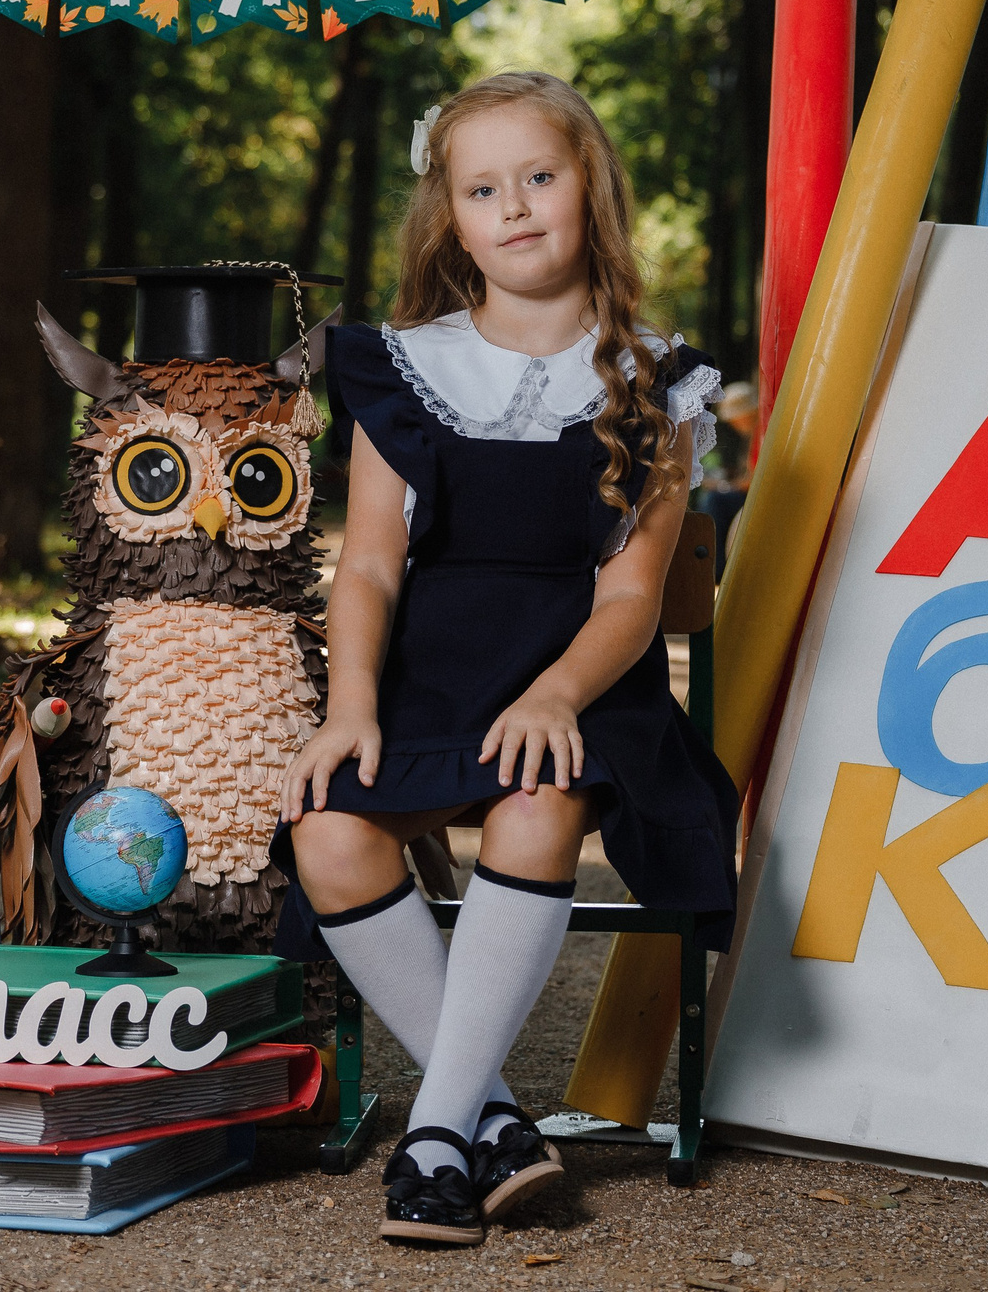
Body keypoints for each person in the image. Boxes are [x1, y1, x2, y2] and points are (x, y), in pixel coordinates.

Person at [275, 72, 740, 1247]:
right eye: (485, 188)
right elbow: (371, 565)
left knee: (536, 810)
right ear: (452, 216)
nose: (517, 206)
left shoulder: (656, 377)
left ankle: (435, 1141)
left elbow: (633, 596)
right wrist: (349, 707)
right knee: (328, 827)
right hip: (426, 671)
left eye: (541, 176)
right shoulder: (399, 365)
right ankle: (490, 1120)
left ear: (591, 187)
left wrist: (558, 690)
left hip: (577, 676)